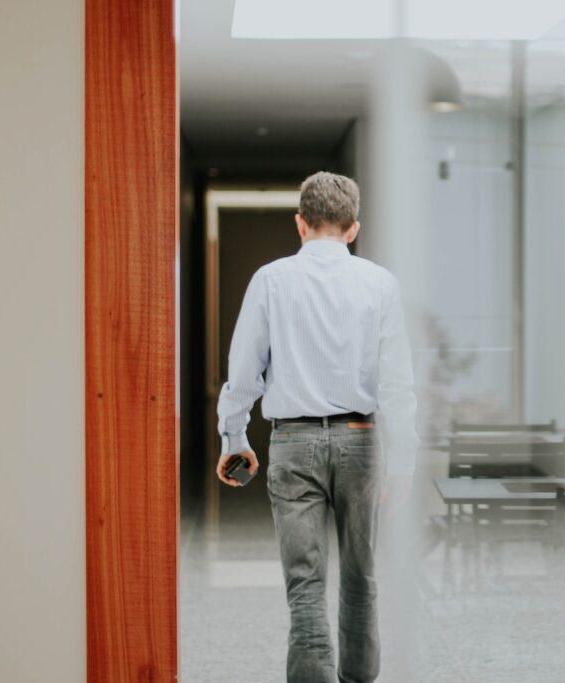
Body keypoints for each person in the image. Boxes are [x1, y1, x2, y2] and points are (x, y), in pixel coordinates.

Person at [216, 171, 418, 683]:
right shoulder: (379, 283)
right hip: (362, 442)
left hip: (293, 441)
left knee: (304, 583)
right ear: (353, 229)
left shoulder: (270, 279)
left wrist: (233, 438)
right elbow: (397, 385)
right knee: (361, 576)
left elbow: (244, 372)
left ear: (300, 224)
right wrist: (403, 463)